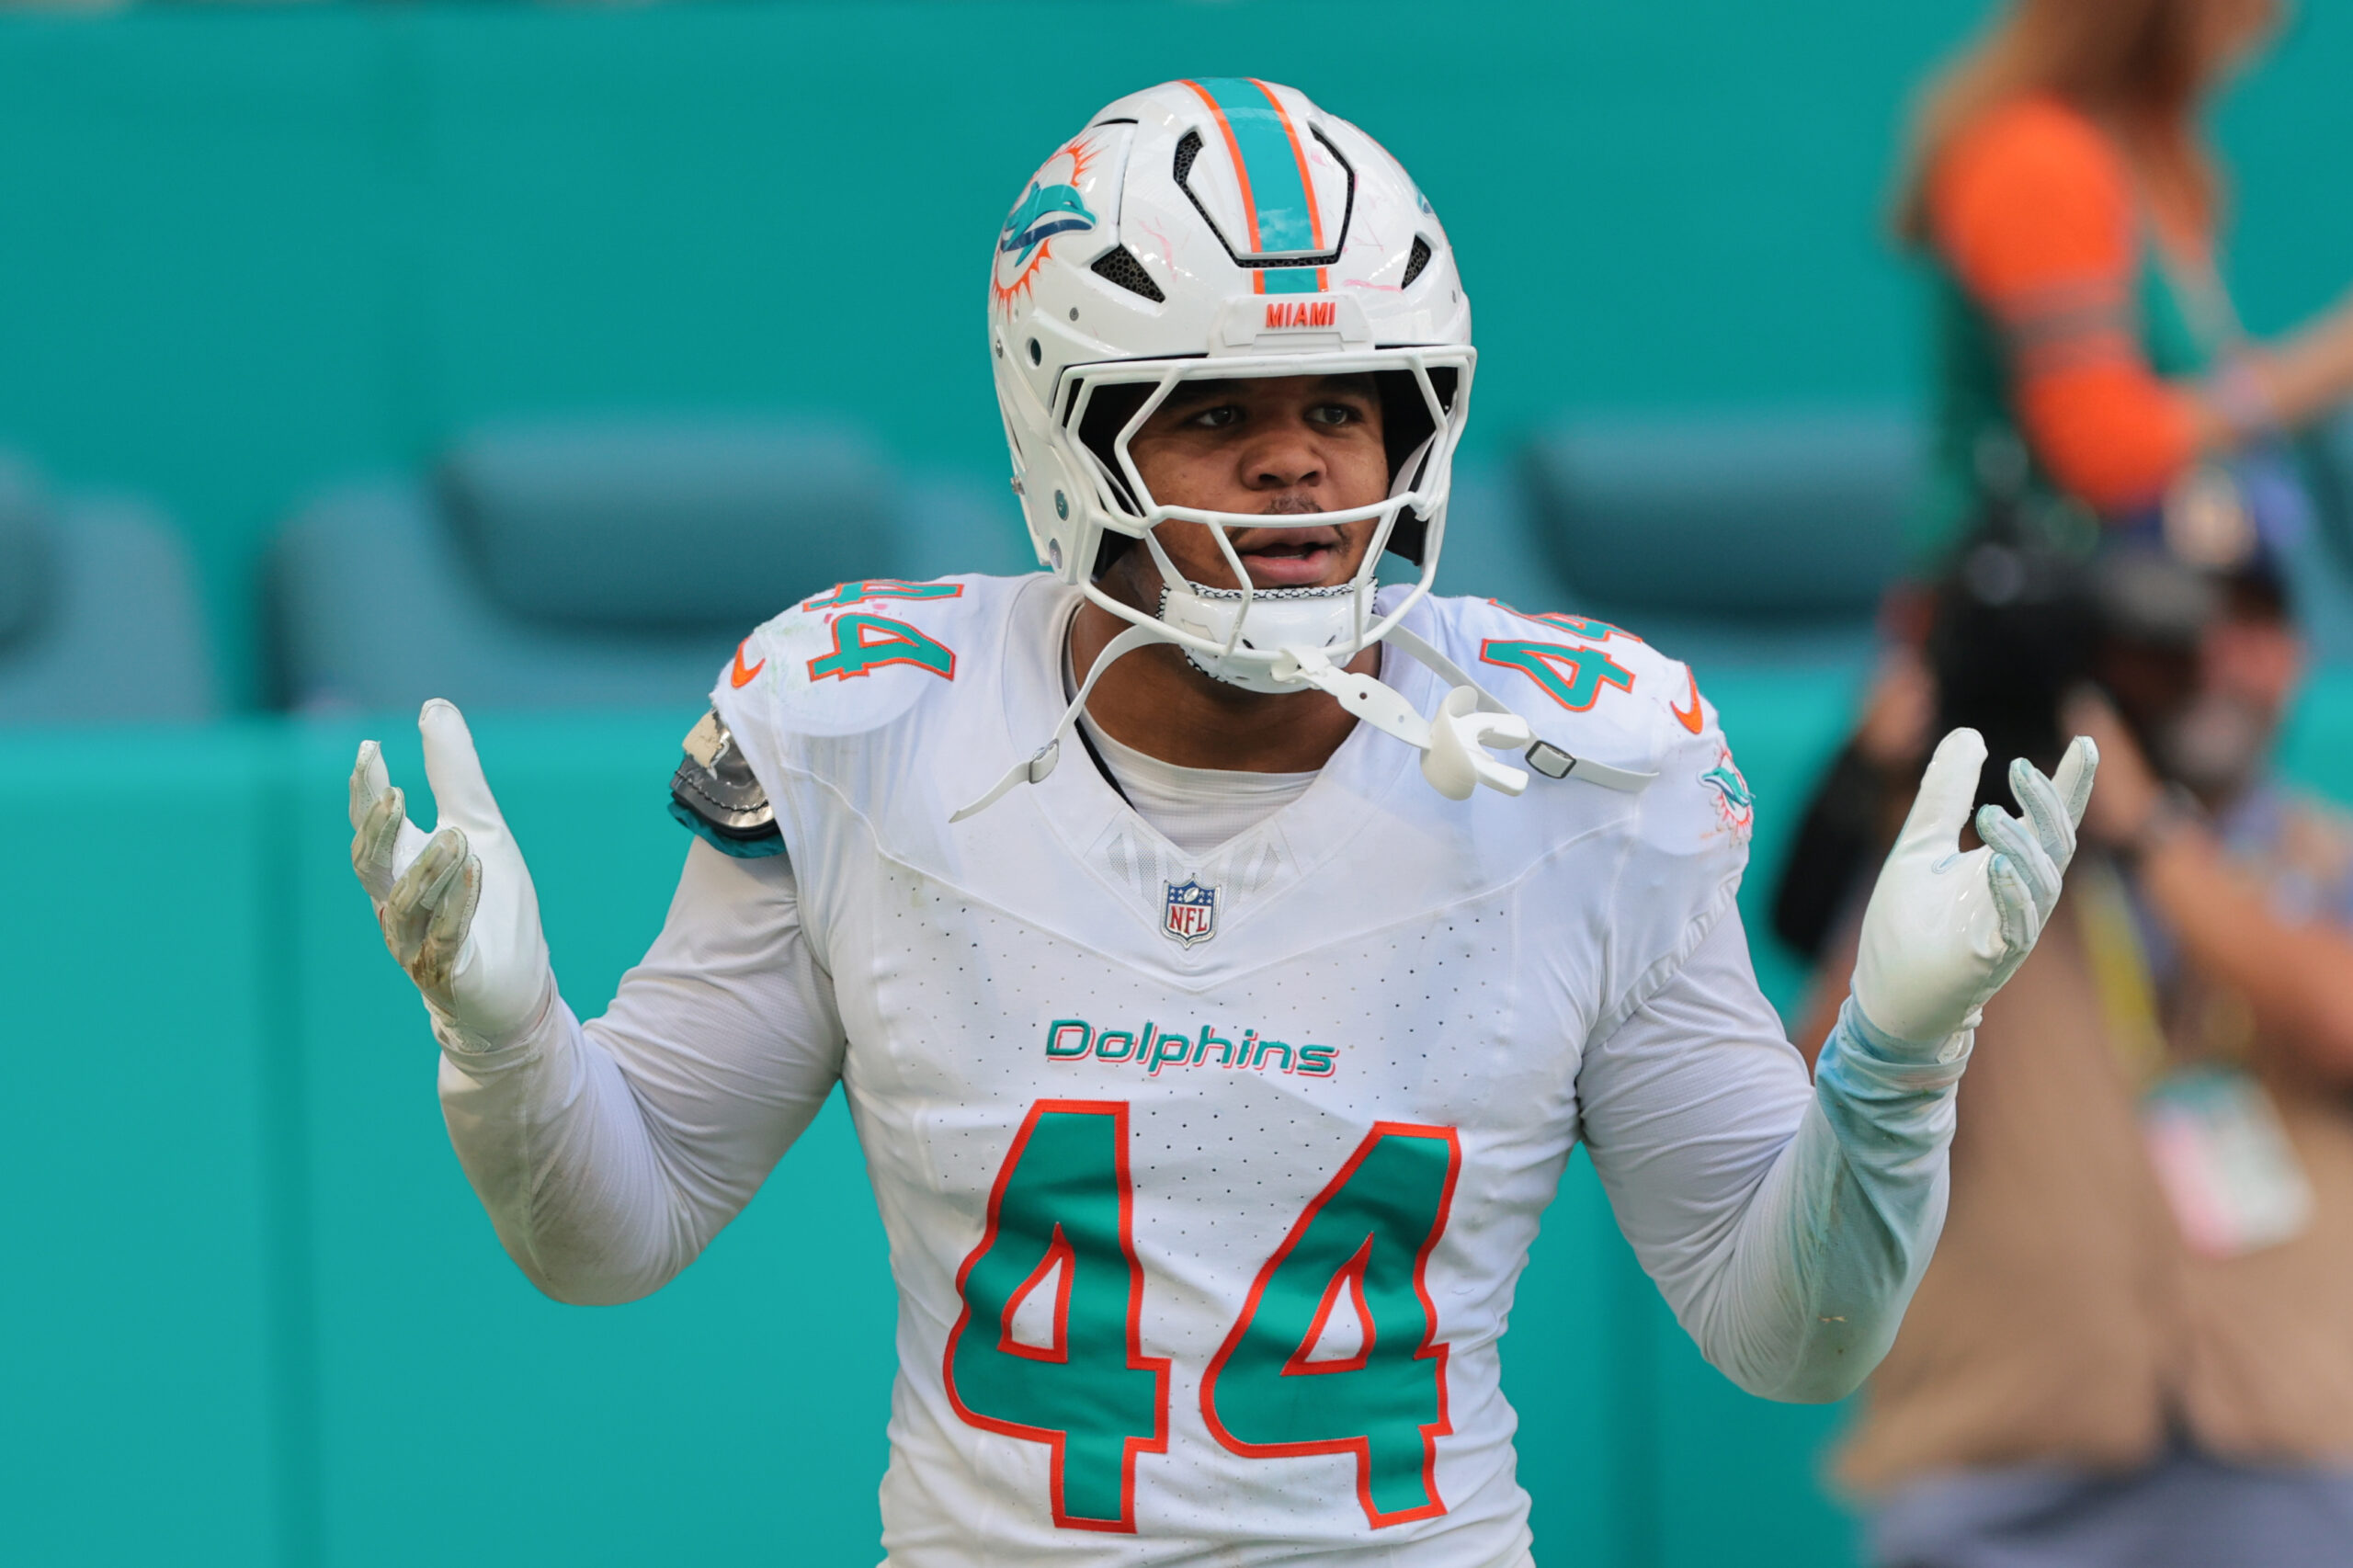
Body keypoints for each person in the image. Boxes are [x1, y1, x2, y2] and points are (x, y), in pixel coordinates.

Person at [345, 80, 2094, 1567]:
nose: (1302, 468)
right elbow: (609, 1231)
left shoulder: (1587, 771)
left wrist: (1895, 1060)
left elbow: (1786, 1332)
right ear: (1070, 434)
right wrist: (503, 1043)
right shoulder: (868, 724)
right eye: (1218, 412)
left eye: (1342, 406)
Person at [1797, 549, 2353, 1568]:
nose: (2214, 659)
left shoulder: (2327, 854)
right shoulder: (1966, 869)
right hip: (1995, 1471)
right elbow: (1815, 1120)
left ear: (2301, 651)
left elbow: (2337, 1020)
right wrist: (1916, 806)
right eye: (2177, 631)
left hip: (2291, 1466)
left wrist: (2147, 825)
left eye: (2251, 622)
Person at [1897, 0, 2353, 580]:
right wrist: (2328, 364)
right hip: (2028, 635)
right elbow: (2105, 452)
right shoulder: (2038, 163)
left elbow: (2197, 397)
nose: (2273, 23)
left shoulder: (2151, 159)